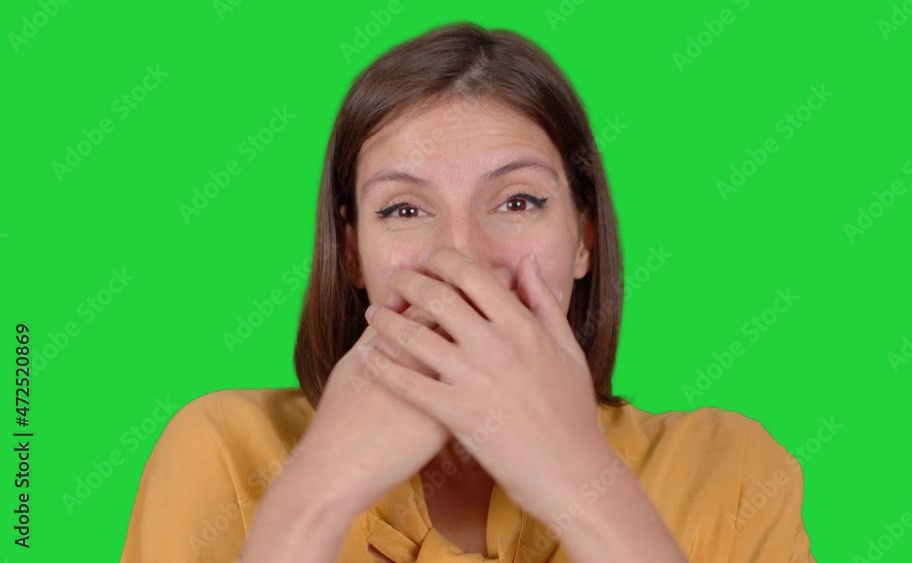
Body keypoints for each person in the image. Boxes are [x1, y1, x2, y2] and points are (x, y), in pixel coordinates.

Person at [121, 22, 815, 563]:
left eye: (516, 201)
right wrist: (314, 494)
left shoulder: (730, 470)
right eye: (403, 209)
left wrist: (577, 477)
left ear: (584, 240)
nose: (463, 257)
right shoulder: (219, 452)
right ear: (355, 250)